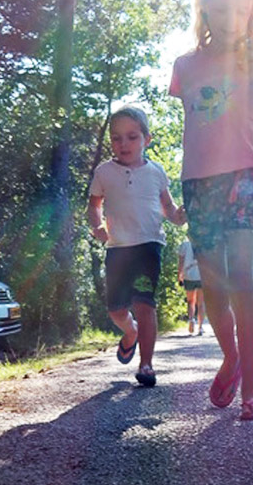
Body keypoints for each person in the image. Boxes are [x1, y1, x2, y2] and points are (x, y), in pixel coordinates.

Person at [169, 0, 253, 422]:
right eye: (222, 9)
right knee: (212, 281)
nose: (232, 19)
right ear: (204, 7)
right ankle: (231, 355)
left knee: (242, 278)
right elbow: (193, 129)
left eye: (242, 9)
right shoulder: (185, 64)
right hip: (198, 183)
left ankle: (252, 388)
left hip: (243, 176)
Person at [87, 106, 186, 388]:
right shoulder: (104, 172)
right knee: (116, 309)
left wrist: (179, 216)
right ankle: (129, 332)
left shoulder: (156, 171)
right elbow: (94, 205)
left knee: (144, 302)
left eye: (132, 137)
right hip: (117, 248)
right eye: (117, 138)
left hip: (148, 246)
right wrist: (97, 226)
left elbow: (168, 206)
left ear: (147, 139)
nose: (124, 144)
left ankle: (146, 364)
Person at [177, 237, 206, 336]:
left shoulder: (184, 245)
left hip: (188, 275)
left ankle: (191, 320)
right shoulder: (203, 244)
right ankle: (200, 327)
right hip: (201, 275)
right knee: (201, 303)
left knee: (191, 301)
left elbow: (180, 262)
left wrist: (179, 276)